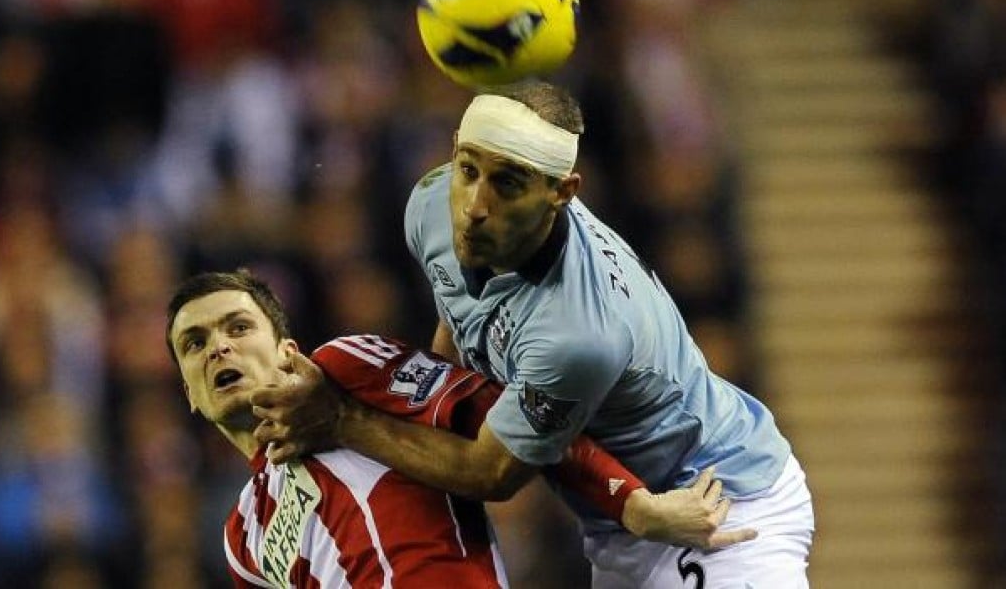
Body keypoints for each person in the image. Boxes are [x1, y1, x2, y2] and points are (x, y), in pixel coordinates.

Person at [251, 80, 814, 587]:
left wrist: (343, 419)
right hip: (622, 525)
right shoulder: (429, 205)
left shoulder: (577, 333)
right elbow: (462, 344)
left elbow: (491, 472)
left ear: (562, 192)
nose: (475, 206)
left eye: (507, 184)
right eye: (468, 170)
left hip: (715, 504)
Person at [166, 269, 746, 588]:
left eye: (238, 327)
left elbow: (521, 418)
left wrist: (631, 503)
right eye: (195, 344)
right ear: (190, 394)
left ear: (287, 350)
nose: (219, 347)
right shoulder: (243, 536)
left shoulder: (345, 370)